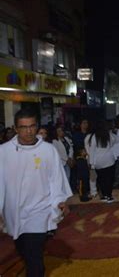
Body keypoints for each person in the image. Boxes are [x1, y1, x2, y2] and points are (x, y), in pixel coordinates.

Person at [0, 108, 72, 276]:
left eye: (32, 126)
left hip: (40, 210)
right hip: (14, 211)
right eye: (24, 127)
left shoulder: (48, 150)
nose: (29, 131)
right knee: (23, 248)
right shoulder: (4, 152)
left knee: (34, 255)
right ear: (16, 129)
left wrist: (60, 201)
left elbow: (56, 179)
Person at [85, 121, 117, 203]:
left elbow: (92, 150)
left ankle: (104, 195)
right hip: (109, 160)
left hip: (98, 161)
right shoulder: (108, 135)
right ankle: (109, 196)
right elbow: (115, 141)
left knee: (101, 179)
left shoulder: (94, 136)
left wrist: (92, 163)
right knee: (109, 179)